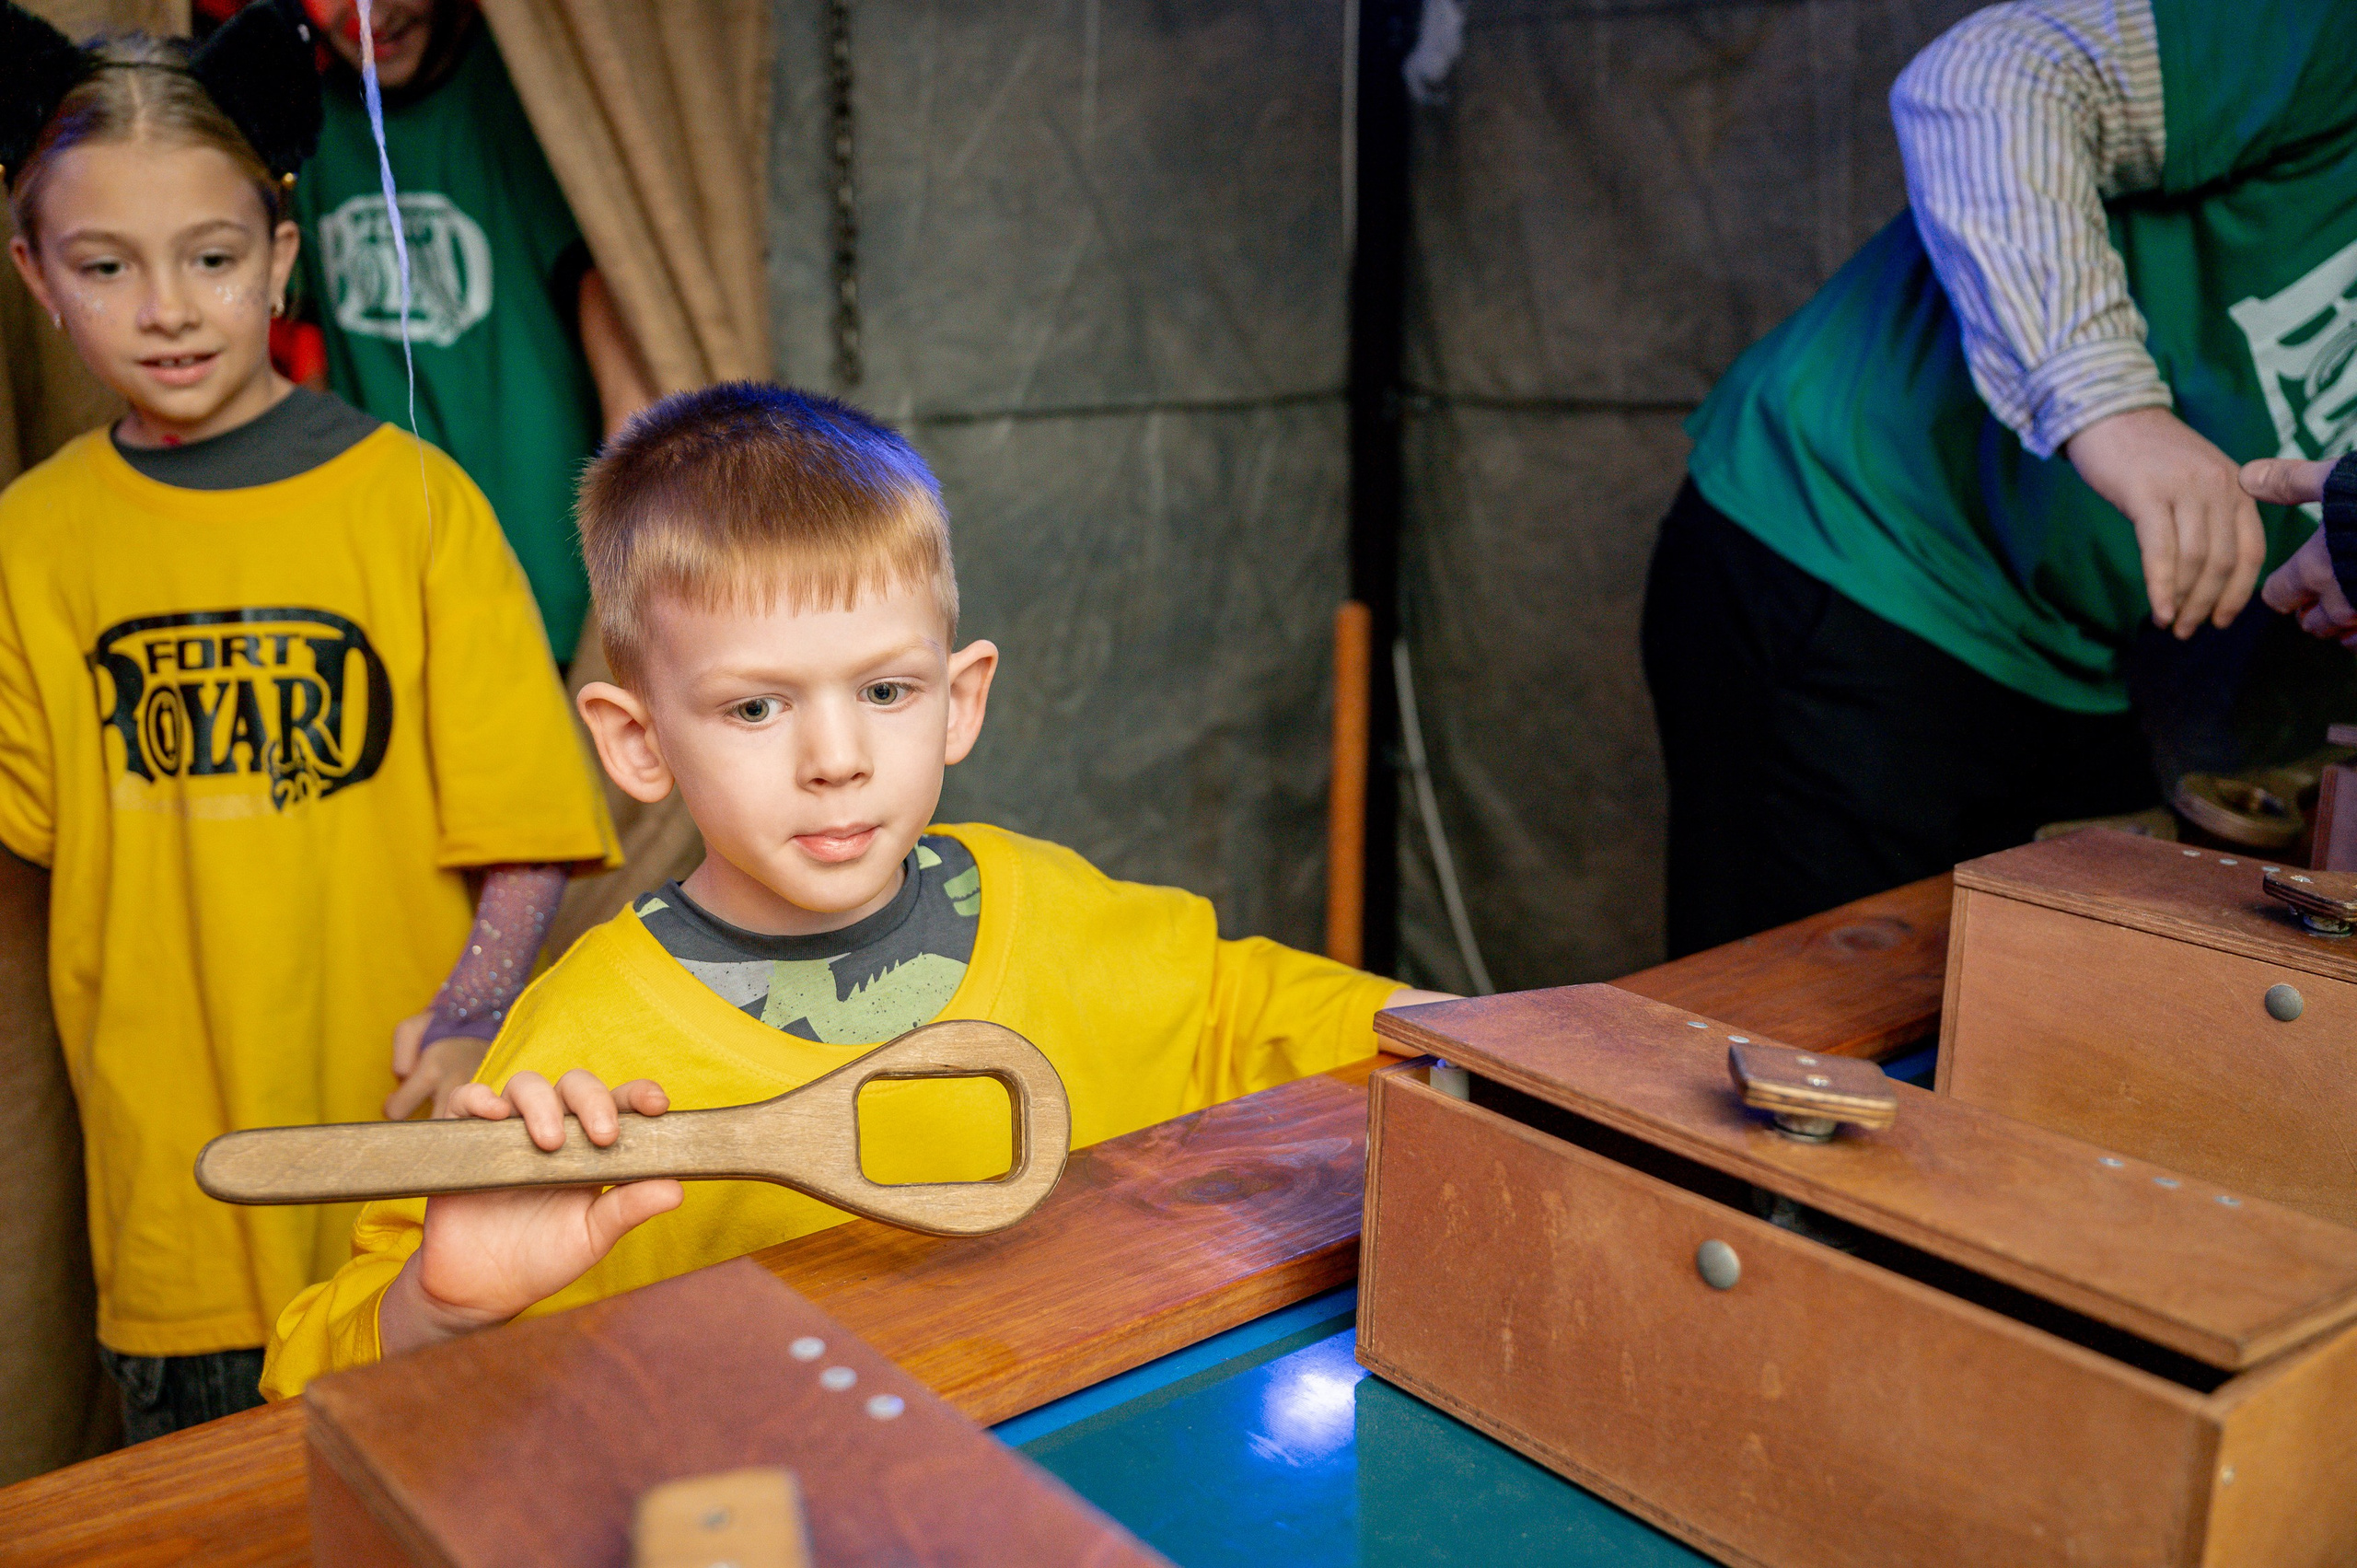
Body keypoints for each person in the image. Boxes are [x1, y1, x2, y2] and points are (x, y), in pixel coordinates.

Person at [260, 383, 1451, 1395]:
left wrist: (1481, 1052)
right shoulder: (579, 1049)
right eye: (756, 706)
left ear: (960, 696)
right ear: (637, 741)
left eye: (885, 691)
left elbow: (1244, 1007)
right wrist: (439, 1308)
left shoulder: (1058, 909)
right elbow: (311, 1372)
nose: (836, 756)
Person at [0, 4, 616, 1439]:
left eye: (211, 258)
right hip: (171, 1210)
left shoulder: (415, 506)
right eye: (106, 265)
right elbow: (38, 850)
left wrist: (472, 1001)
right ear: (36, 275)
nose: (166, 306)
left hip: (407, 1211)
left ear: (279, 255)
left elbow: (526, 822)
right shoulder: (31, 541)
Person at [1643, 0, 2357, 957]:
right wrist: (2110, 407)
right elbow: (1982, 82)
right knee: (1790, 1039)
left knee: (2037, 1030)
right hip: (1863, 548)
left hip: (2085, 649)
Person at [289, 0, 654, 662]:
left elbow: (629, 369)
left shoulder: (521, 95)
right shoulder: (309, 126)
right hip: (396, 596)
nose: (365, 15)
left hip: (550, 591)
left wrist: (622, 576)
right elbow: (305, 369)